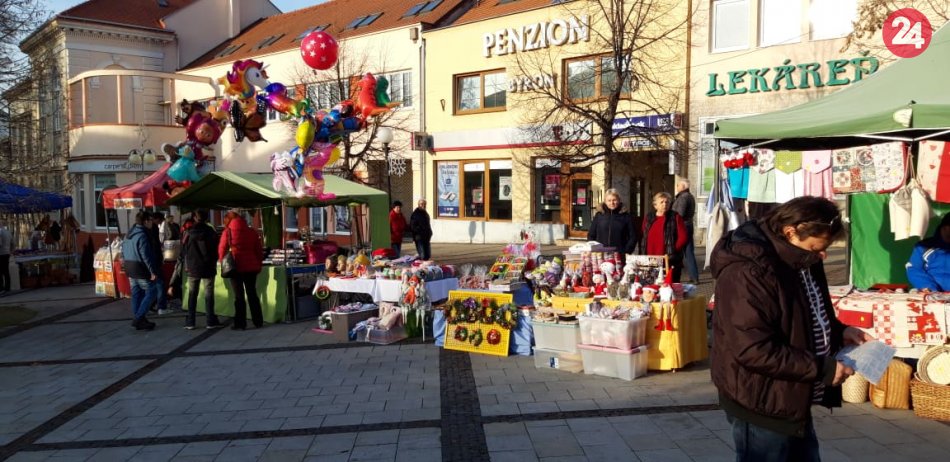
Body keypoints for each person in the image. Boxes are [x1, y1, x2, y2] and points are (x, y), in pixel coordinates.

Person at [710, 196, 873, 461]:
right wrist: (823, 369)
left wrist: (838, 331)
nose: (822, 255)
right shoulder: (749, 271)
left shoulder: (801, 257)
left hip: (791, 395)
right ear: (790, 232)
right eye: (816, 248)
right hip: (761, 399)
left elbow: (805, 309)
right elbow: (753, 349)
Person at [219, 210, 264, 330]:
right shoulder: (251, 231)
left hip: (236, 267)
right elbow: (259, 251)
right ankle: (258, 321)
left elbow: (222, 250)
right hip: (251, 267)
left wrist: (223, 262)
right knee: (252, 293)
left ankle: (240, 324)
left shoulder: (227, 232)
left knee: (239, 296)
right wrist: (259, 264)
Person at [180, 210, 220, 330]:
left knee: (192, 294)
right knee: (209, 294)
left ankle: (190, 322)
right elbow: (217, 249)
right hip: (208, 266)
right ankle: (210, 321)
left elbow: (183, 250)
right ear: (206, 218)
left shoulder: (188, 232)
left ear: (195, 218)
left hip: (193, 267)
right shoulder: (211, 232)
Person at [121, 211, 160, 331]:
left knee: (136, 293)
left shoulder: (129, 233)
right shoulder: (142, 235)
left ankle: (140, 319)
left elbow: (122, 251)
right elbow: (146, 255)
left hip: (129, 266)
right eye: (151, 220)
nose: (152, 223)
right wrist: (152, 271)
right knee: (152, 291)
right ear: (146, 221)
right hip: (140, 267)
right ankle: (138, 318)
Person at [642, 192, 688, 282]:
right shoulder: (649, 217)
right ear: (655, 205)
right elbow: (644, 232)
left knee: (669, 285)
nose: (665, 204)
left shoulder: (675, 217)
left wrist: (672, 249)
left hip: (669, 258)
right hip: (651, 259)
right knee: (652, 284)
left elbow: (683, 237)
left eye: (667, 202)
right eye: (662, 202)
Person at [587, 188, 638, 256]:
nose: (612, 203)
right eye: (609, 200)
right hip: (600, 254)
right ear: (605, 201)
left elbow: (633, 236)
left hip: (620, 254)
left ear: (619, 200)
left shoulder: (626, 216)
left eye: (614, 200)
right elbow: (591, 235)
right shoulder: (599, 215)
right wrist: (593, 249)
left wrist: (627, 251)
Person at [906, 213, 950, 291]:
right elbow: (914, 269)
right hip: (930, 292)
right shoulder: (924, 246)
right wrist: (930, 288)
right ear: (944, 228)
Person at [672, 179, 700, 283]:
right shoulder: (689, 196)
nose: (677, 187)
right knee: (688, 252)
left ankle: (690, 276)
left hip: (682, 226)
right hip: (688, 225)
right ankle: (694, 276)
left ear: (683, 187)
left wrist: (672, 217)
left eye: (678, 185)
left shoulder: (683, 197)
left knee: (684, 251)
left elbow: (680, 213)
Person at [146, 212, 170, 315]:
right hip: (154, 260)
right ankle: (161, 307)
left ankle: (149, 305)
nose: (160, 223)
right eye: (160, 221)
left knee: (153, 284)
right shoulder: (153, 227)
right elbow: (155, 245)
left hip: (150, 260)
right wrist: (160, 257)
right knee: (160, 283)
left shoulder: (146, 229)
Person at [0, 220, 12, 292]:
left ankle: (1, 287)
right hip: (7, 253)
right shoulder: (8, 232)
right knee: (6, 270)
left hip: (1, 253)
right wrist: (10, 251)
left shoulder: (0, 232)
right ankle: (8, 287)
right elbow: (13, 243)